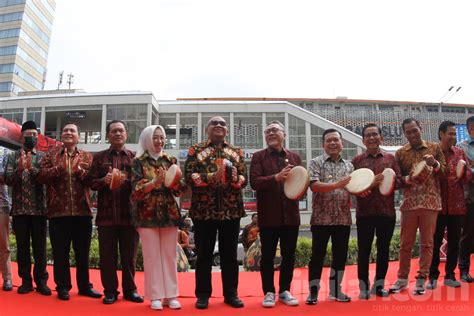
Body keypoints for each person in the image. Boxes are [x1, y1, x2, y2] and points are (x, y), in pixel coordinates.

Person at [184, 116, 247, 309]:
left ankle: (231, 294)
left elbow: (245, 178)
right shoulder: (196, 150)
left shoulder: (237, 152)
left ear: (227, 130)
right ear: (207, 129)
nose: (219, 126)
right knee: (203, 255)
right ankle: (203, 295)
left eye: (223, 124)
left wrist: (238, 179)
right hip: (204, 211)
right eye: (214, 123)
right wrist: (211, 177)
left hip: (231, 210)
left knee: (229, 255)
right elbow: (188, 176)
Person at [38, 123, 102, 301]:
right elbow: (40, 176)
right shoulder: (51, 155)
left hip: (83, 212)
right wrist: (59, 169)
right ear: (61, 136)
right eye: (65, 130)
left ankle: (84, 287)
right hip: (58, 212)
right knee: (60, 253)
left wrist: (79, 171)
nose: (68, 133)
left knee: (82, 253)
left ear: (78, 137)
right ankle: (63, 287)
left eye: (72, 131)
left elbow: (93, 182)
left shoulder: (88, 157)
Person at [87, 120, 143, 304]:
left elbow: (141, 184)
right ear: (108, 135)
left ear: (126, 135)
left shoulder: (135, 158)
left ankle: (130, 290)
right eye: (114, 131)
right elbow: (90, 182)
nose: (118, 134)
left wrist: (123, 179)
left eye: (121, 131)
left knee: (129, 256)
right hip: (106, 216)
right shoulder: (100, 157)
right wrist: (105, 180)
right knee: (107, 256)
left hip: (129, 215)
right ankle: (110, 291)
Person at [131, 125, 185, 310]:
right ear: (147, 139)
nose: (159, 141)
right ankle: (155, 295)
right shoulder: (138, 161)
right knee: (152, 256)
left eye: (162, 138)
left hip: (169, 213)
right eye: (155, 137)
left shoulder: (170, 160)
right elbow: (136, 190)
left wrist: (172, 182)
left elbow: (180, 188)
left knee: (169, 255)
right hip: (147, 215)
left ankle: (171, 295)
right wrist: (155, 182)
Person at [390, 118, 446, 295]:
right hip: (409, 204)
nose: (412, 134)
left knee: (427, 244)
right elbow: (396, 181)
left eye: (415, 130)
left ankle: (422, 279)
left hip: (430, 202)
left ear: (420, 129)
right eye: (408, 132)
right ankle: (402, 279)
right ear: (404, 133)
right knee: (405, 244)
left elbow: (445, 172)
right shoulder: (400, 153)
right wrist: (409, 178)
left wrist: (435, 164)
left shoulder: (434, 148)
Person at [250, 120, 302, 307]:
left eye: (274, 130)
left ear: (284, 134)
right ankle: (269, 292)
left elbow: (301, 184)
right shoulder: (259, 157)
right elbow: (254, 182)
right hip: (269, 216)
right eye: (267, 131)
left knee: (289, 255)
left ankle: (285, 290)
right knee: (268, 256)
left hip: (290, 215)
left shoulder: (295, 157)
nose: (271, 133)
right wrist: (276, 178)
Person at [351, 123, 401, 299]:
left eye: (375, 134)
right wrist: (366, 187)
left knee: (383, 250)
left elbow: (400, 182)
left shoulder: (390, 159)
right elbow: (351, 186)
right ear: (363, 140)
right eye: (368, 135)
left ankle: (379, 286)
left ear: (381, 137)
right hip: (364, 212)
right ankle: (363, 287)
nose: (371, 138)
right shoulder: (356, 161)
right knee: (364, 250)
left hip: (386, 212)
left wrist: (389, 180)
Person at [307, 128, 354, 304]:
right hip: (321, 218)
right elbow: (314, 186)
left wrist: (360, 191)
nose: (333, 143)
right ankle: (313, 292)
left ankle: (335, 290)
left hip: (343, 218)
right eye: (329, 141)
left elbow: (352, 188)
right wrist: (336, 185)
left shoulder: (349, 165)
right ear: (323, 144)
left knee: (340, 256)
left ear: (342, 143)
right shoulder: (315, 162)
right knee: (317, 256)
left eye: (336, 140)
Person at [4, 121, 51, 295]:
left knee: (40, 248)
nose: (30, 137)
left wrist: (32, 169)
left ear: (37, 137)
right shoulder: (12, 157)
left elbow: (46, 179)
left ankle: (41, 281)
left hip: (39, 210)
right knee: (22, 247)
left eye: (33, 134)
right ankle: (25, 281)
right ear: (21, 136)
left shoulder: (43, 157)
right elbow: (7, 179)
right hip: (19, 210)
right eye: (27, 135)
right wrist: (19, 169)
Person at [426, 121, 471, 289]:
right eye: (450, 134)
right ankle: (432, 276)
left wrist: (463, 172)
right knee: (434, 242)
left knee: (454, 242)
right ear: (441, 134)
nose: (453, 137)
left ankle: (450, 275)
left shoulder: (460, 152)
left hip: (457, 204)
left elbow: (467, 177)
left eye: (454, 134)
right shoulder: (432, 153)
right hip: (436, 205)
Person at [456, 116, 474, 283]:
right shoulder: (461, 148)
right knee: (468, 233)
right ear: (470, 129)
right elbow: (462, 170)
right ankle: (463, 269)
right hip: (470, 196)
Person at [0, 146, 12, 291]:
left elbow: (8, 177)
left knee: (3, 244)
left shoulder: (4, 152)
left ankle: (7, 277)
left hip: (1, 204)